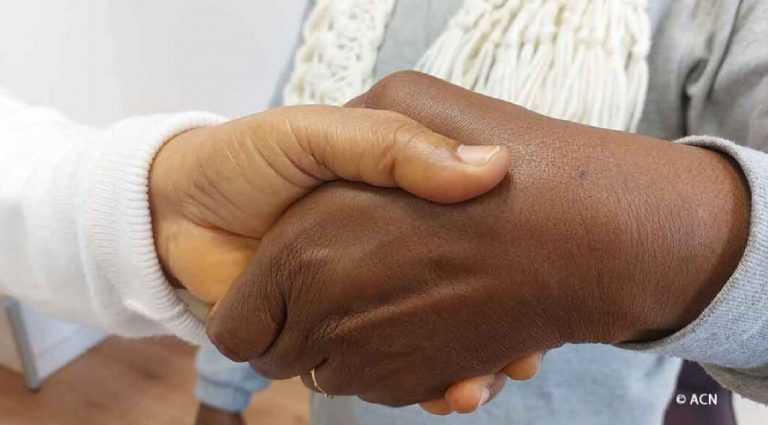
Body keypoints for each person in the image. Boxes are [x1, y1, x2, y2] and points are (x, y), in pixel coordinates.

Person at [1, 1, 767, 425]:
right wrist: (221, 389)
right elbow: (260, 204)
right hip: (347, 401)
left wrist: (649, 243)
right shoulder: (345, 11)